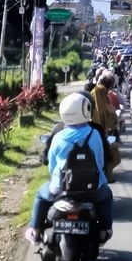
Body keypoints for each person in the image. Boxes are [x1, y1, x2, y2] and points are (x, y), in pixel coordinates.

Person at [25, 92, 113, 245]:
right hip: (92, 189)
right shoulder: (95, 134)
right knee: (106, 196)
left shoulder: (59, 136)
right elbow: (100, 162)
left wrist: (57, 178)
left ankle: (35, 230)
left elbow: (52, 166)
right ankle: (104, 230)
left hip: (61, 189)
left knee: (40, 196)